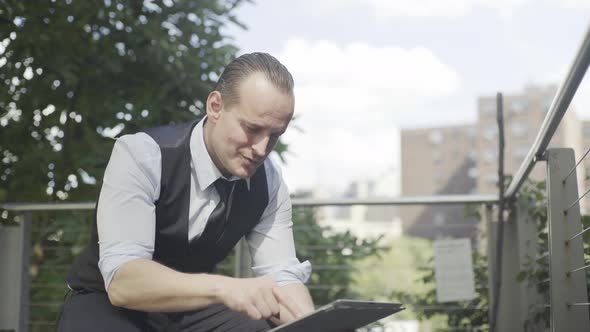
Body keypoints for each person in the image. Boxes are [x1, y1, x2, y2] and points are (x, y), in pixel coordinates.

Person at [57, 52, 315, 331]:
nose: (261, 150)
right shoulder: (143, 154)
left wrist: (314, 325)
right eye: (252, 129)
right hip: (108, 303)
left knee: (257, 327)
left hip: (191, 310)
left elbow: (282, 275)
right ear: (216, 106)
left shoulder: (270, 182)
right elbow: (124, 281)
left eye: (274, 135)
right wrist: (225, 287)